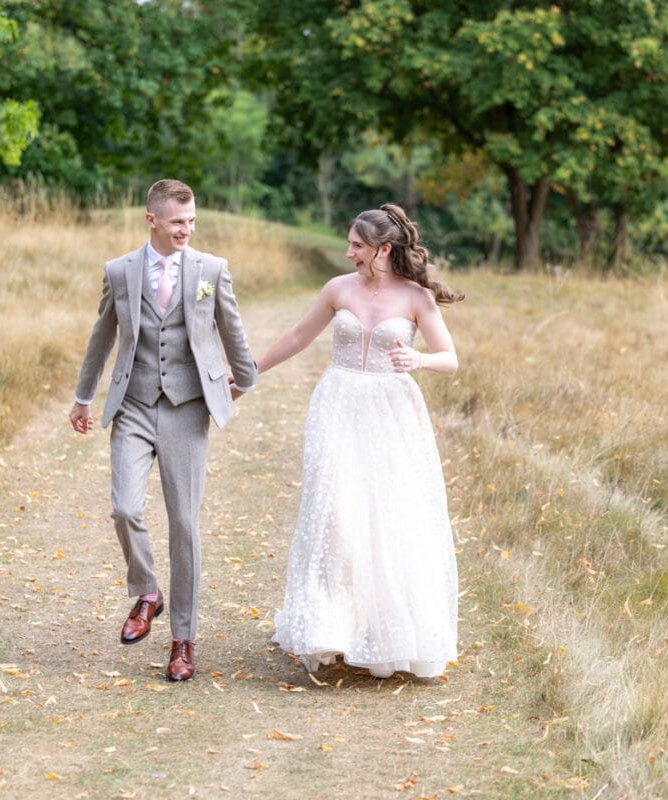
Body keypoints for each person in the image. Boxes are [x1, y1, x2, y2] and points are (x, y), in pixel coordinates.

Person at [256, 203, 462, 679]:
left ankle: (384, 628)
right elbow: (299, 335)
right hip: (337, 404)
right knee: (334, 511)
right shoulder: (338, 289)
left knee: (387, 514)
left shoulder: (416, 297)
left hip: (391, 412)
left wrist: (419, 360)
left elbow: (450, 359)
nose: (349, 253)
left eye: (356, 246)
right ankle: (332, 625)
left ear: (383, 250)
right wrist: (251, 372)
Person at [69, 179, 257, 682]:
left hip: (186, 408)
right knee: (125, 508)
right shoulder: (120, 271)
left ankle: (183, 641)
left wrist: (243, 379)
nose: (186, 230)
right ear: (151, 219)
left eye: (191, 221)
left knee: (184, 525)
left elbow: (231, 328)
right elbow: (102, 336)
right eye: (177, 222)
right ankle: (147, 591)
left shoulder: (211, 270)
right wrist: (83, 396)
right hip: (132, 403)